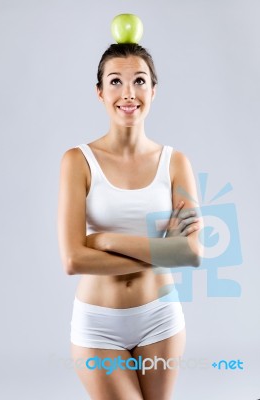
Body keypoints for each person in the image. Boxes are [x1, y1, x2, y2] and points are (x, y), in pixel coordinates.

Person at [57, 43, 203, 400]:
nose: (128, 93)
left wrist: (107, 240)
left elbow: (192, 254)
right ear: (100, 92)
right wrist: (165, 250)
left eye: (139, 81)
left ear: (153, 90)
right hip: (98, 326)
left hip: (161, 319)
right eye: (115, 81)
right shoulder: (78, 161)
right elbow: (74, 260)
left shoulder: (175, 163)